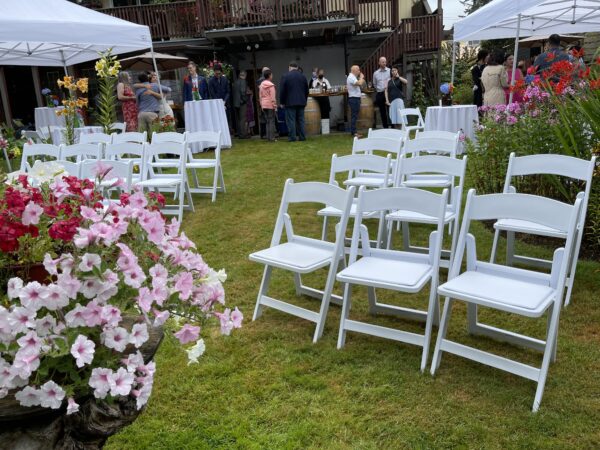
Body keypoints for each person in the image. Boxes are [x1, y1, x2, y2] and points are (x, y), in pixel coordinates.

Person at [279, 61, 309, 142]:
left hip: (290, 102)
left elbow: (282, 91)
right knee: (301, 120)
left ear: (289, 67)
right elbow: (307, 90)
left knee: (291, 121)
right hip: (301, 102)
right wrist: (304, 100)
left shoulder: (285, 76)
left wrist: (282, 102)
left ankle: (292, 138)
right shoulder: (303, 76)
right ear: (297, 67)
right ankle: (302, 137)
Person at [347, 65, 365, 137]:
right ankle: (354, 132)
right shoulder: (351, 77)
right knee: (354, 116)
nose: (359, 71)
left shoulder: (353, 77)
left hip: (355, 98)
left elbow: (360, 84)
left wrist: (360, 79)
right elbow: (360, 83)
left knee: (355, 115)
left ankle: (354, 131)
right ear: (354, 70)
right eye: (358, 70)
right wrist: (361, 78)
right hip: (354, 99)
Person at [373, 56, 391, 129]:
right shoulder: (375, 73)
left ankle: (392, 125)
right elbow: (374, 84)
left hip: (388, 93)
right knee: (382, 111)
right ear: (379, 63)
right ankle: (385, 127)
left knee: (390, 110)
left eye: (385, 62)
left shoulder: (390, 71)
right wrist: (379, 89)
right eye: (382, 62)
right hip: (380, 94)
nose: (384, 63)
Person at [259, 69, 277, 142]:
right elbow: (273, 97)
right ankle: (272, 138)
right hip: (270, 105)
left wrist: (261, 105)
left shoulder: (261, 85)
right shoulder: (271, 85)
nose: (272, 76)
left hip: (264, 104)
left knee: (267, 121)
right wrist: (275, 105)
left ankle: (268, 137)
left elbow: (260, 96)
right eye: (271, 74)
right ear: (269, 76)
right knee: (272, 121)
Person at [232, 70, 249, 139]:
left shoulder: (235, 82)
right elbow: (242, 92)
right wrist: (245, 100)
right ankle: (243, 134)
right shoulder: (243, 81)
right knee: (243, 119)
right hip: (242, 103)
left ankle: (239, 133)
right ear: (245, 75)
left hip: (236, 103)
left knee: (238, 119)